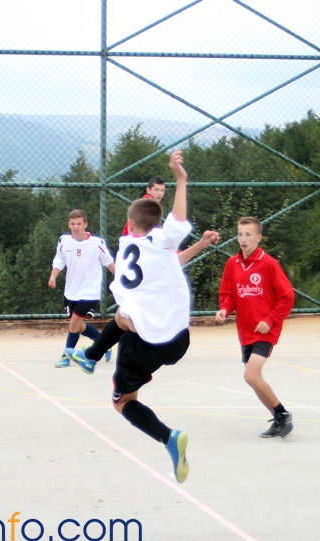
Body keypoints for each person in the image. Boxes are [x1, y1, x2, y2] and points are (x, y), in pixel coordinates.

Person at [68, 149, 197, 483]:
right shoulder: (163, 243)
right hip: (179, 340)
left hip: (144, 342)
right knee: (125, 317)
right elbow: (177, 222)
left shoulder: (126, 246)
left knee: (123, 400)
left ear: (132, 225)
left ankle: (168, 438)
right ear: (157, 225)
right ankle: (90, 356)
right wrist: (181, 179)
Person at [215, 217, 295, 439]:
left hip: (265, 330)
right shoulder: (232, 263)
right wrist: (224, 309)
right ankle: (278, 418)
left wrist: (270, 319)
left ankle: (283, 414)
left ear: (258, 238)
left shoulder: (268, 264)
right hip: (245, 331)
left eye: (248, 234)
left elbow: (287, 296)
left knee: (250, 375)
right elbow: (228, 294)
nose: (243, 238)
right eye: (240, 234)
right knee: (252, 378)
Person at [48, 209, 115, 367]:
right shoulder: (64, 241)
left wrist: (123, 279)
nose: (75, 227)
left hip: (89, 292)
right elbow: (59, 260)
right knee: (78, 324)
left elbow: (109, 262)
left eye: (79, 223)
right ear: (68, 224)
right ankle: (103, 344)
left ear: (85, 224)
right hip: (71, 291)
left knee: (74, 323)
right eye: (73, 224)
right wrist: (53, 276)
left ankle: (66, 355)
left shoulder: (97, 243)